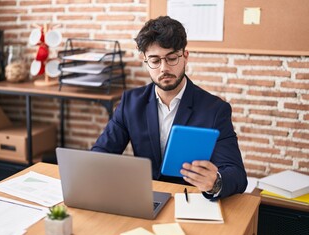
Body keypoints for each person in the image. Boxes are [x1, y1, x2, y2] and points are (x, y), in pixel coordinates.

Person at [92, 16, 247, 199]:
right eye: (155, 61)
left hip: (189, 199)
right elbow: (101, 154)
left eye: (172, 58)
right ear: (145, 61)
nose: (164, 68)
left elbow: (237, 174)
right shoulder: (131, 102)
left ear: (185, 57)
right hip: (145, 198)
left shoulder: (214, 109)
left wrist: (215, 183)